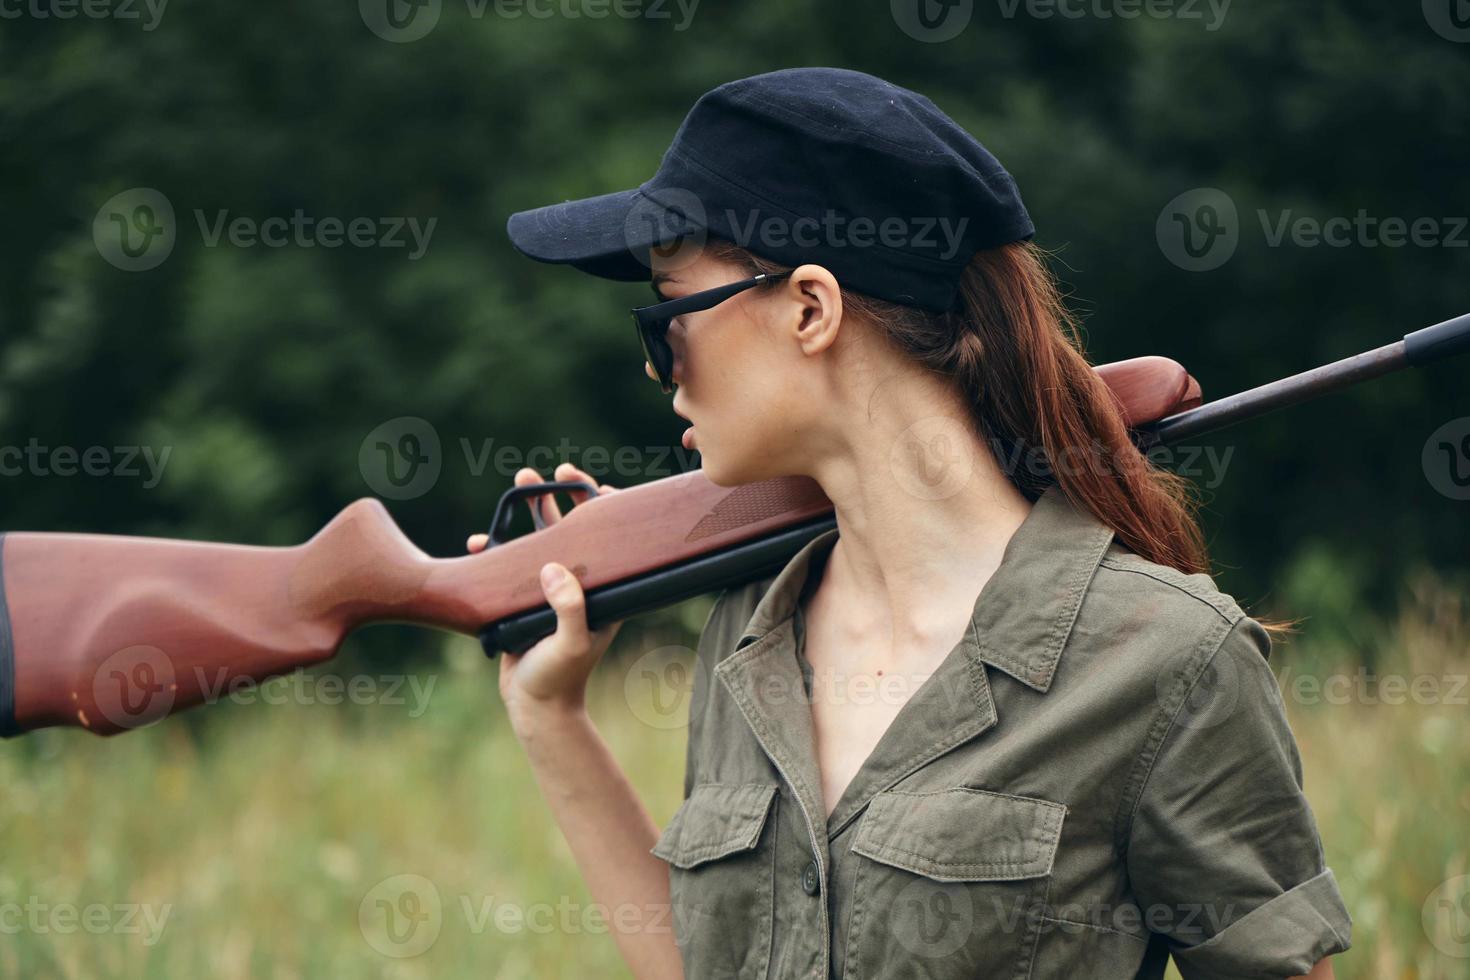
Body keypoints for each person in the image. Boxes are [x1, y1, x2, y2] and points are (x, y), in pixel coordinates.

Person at [467, 67, 1351, 980]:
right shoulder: (749, 637)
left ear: (811, 308)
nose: (662, 371)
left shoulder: (1165, 660)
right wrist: (549, 715)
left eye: (668, 317)